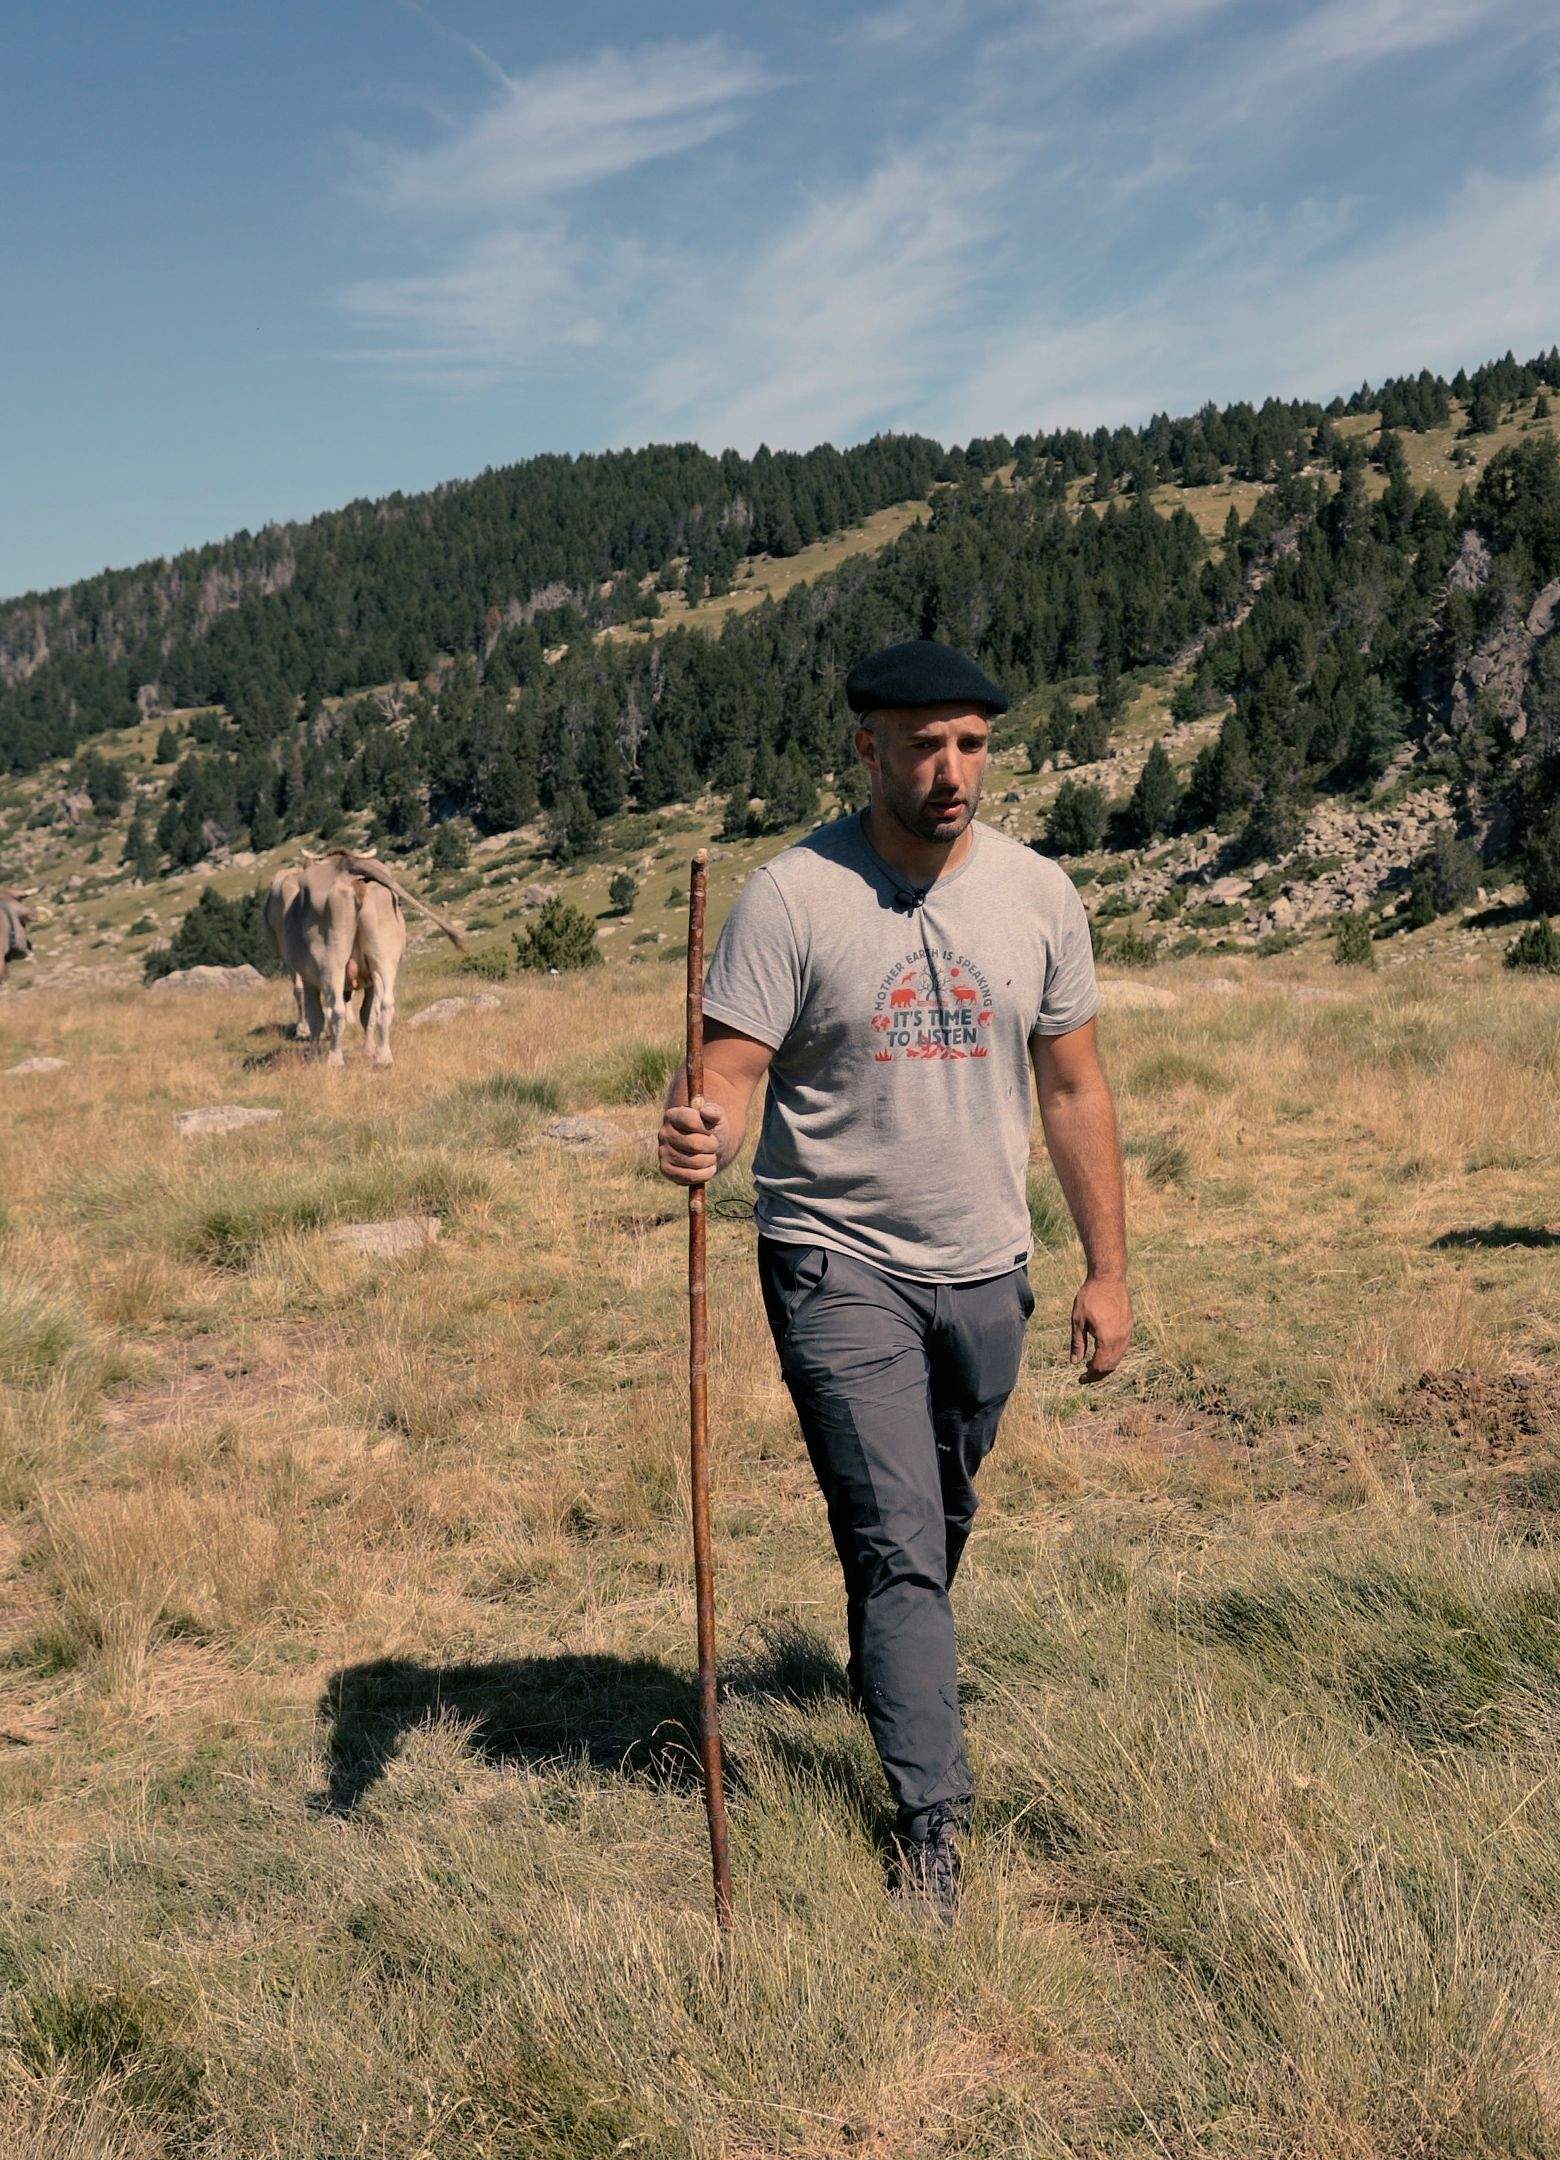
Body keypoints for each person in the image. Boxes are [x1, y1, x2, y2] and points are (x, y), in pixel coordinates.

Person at [656, 637, 1134, 1923]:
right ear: (867, 748)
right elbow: (732, 1072)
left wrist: (1111, 1270)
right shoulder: (792, 898)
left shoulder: (1039, 895)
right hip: (835, 1259)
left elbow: (1076, 1087)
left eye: (971, 744)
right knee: (901, 1547)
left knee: (938, 1522)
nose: (950, 770)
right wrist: (699, 1122)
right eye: (924, 745)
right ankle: (931, 1826)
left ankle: (891, 1655)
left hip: (989, 1267)